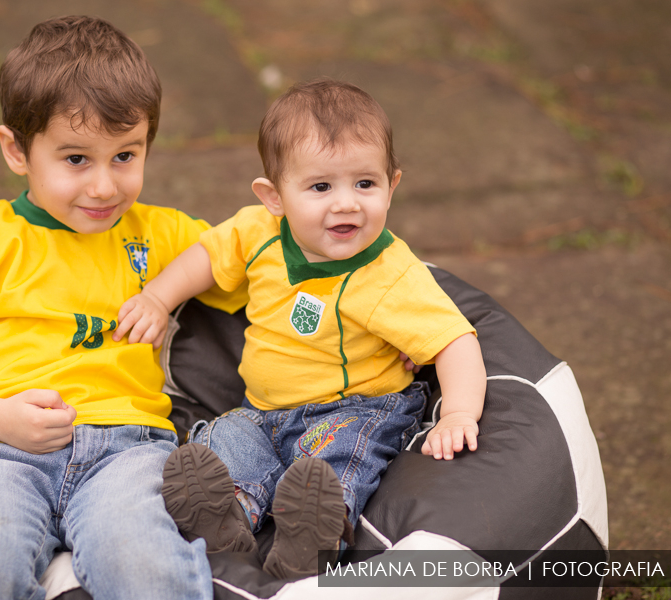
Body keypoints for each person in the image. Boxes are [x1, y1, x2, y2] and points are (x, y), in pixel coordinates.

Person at [0, 15, 246, 600]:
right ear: (17, 150)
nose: (105, 187)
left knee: (151, 574)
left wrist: (165, 291)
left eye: (126, 155)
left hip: (126, 453)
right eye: (76, 159)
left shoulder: (159, 234)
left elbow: (244, 249)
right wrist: (0, 420)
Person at [114, 79, 487, 579]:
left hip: (355, 405)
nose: (347, 204)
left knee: (339, 456)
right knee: (228, 439)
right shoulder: (258, 232)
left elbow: (454, 339)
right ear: (274, 197)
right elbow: (207, 255)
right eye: (320, 187)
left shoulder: (389, 275)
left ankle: (312, 535)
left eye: (365, 184)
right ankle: (225, 517)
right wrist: (158, 297)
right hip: (263, 412)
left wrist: (459, 413)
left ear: (392, 185)